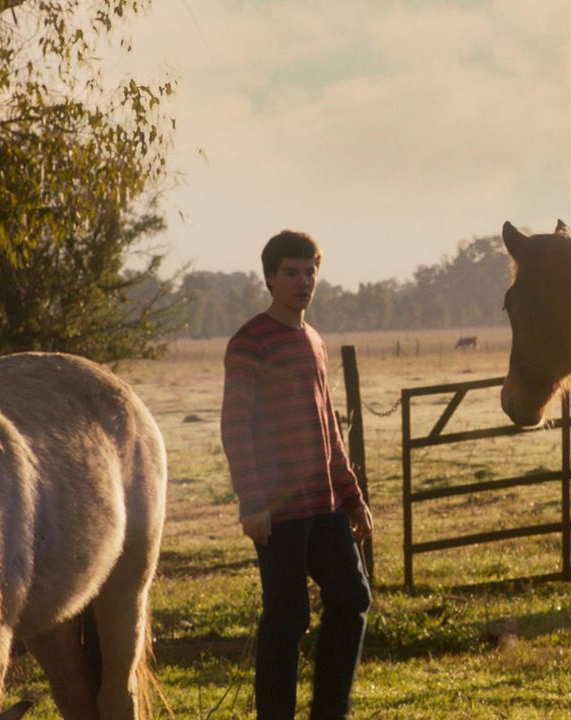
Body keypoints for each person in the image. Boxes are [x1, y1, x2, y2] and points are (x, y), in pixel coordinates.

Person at [221, 230, 374, 720]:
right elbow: (236, 425)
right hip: (279, 510)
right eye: (291, 272)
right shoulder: (250, 342)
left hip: (324, 502)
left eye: (311, 271)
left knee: (352, 598)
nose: (304, 281)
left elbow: (328, 423)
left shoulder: (313, 340)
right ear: (270, 278)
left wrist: (352, 496)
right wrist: (252, 501)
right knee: (287, 621)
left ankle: (330, 712)